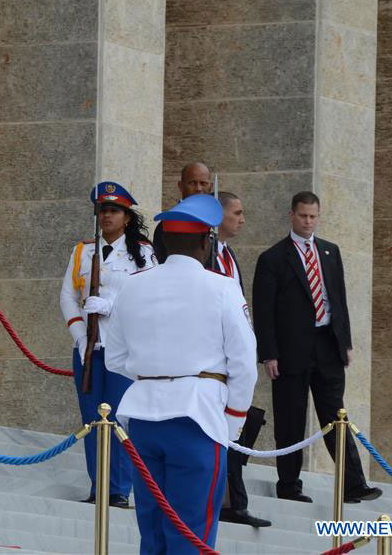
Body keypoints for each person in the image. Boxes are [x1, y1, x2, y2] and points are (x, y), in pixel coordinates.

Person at [103, 194, 258, 554]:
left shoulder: (133, 285)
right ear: (207, 242)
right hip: (199, 417)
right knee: (191, 533)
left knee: (153, 531)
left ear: (165, 243)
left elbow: (115, 358)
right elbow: (244, 361)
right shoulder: (222, 287)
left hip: (142, 418)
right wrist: (232, 420)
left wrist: (153, 371)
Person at [252, 191, 382, 504]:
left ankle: (353, 484)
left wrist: (345, 342)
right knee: (291, 419)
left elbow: (339, 299)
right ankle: (289, 485)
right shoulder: (272, 258)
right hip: (290, 352)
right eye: (303, 216)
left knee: (335, 416)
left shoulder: (330, 252)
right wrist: (268, 353)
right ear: (291, 215)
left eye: (313, 216)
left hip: (327, 347)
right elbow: (263, 310)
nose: (308, 222)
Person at [61, 181, 155, 508]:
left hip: (124, 350)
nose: (107, 216)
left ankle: (119, 489)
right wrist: (80, 336)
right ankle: (98, 485)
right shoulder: (82, 251)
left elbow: (149, 300)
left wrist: (112, 307)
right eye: (102, 210)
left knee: (119, 419)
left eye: (114, 211)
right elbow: (69, 297)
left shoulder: (144, 253)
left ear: (127, 217)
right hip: (89, 349)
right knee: (91, 420)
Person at [211, 192, 271, 528]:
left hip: (234, 350)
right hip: (216, 356)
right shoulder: (207, 253)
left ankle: (233, 500)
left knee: (238, 427)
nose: (242, 219)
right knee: (228, 429)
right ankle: (231, 501)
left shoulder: (229, 254)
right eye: (237, 212)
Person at [151, 161, 214, 263]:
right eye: (192, 183)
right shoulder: (168, 224)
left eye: (203, 183)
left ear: (210, 187)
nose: (198, 188)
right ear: (180, 186)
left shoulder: (215, 220)